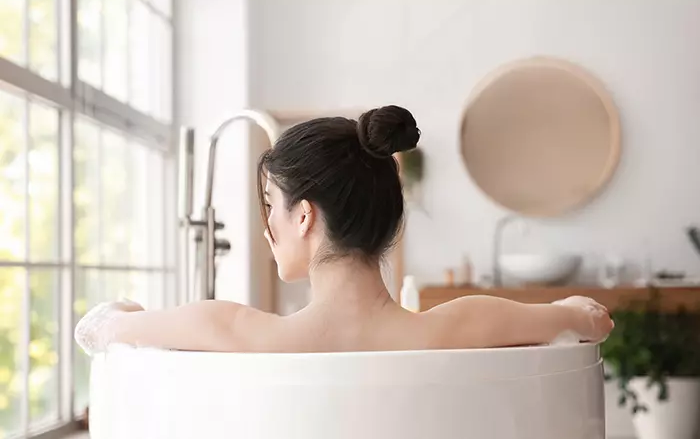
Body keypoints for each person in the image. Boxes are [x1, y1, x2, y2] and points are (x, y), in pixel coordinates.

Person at [74, 105, 614, 355]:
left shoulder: (240, 334)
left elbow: (107, 329)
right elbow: (590, 321)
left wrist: (122, 318)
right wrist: (570, 310)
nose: (267, 228)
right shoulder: (458, 327)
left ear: (304, 216)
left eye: (270, 206)